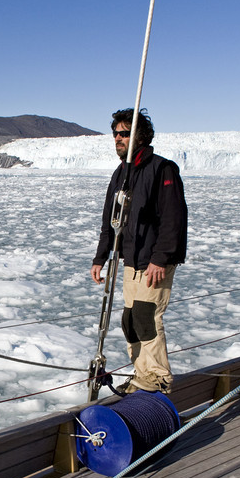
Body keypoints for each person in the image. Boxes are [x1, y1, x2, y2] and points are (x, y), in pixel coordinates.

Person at [91, 108, 188, 393]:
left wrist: (161, 258)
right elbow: (111, 220)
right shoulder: (121, 173)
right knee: (130, 320)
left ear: (140, 137)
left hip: (154, 260)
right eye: (116, 134)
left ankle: (158, 378)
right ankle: (141, 372)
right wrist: (101, 257)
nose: (118, 139)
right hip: (131, 260)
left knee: (146, 316)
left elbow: (173, 218)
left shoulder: (162, 169)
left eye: (124, 133)